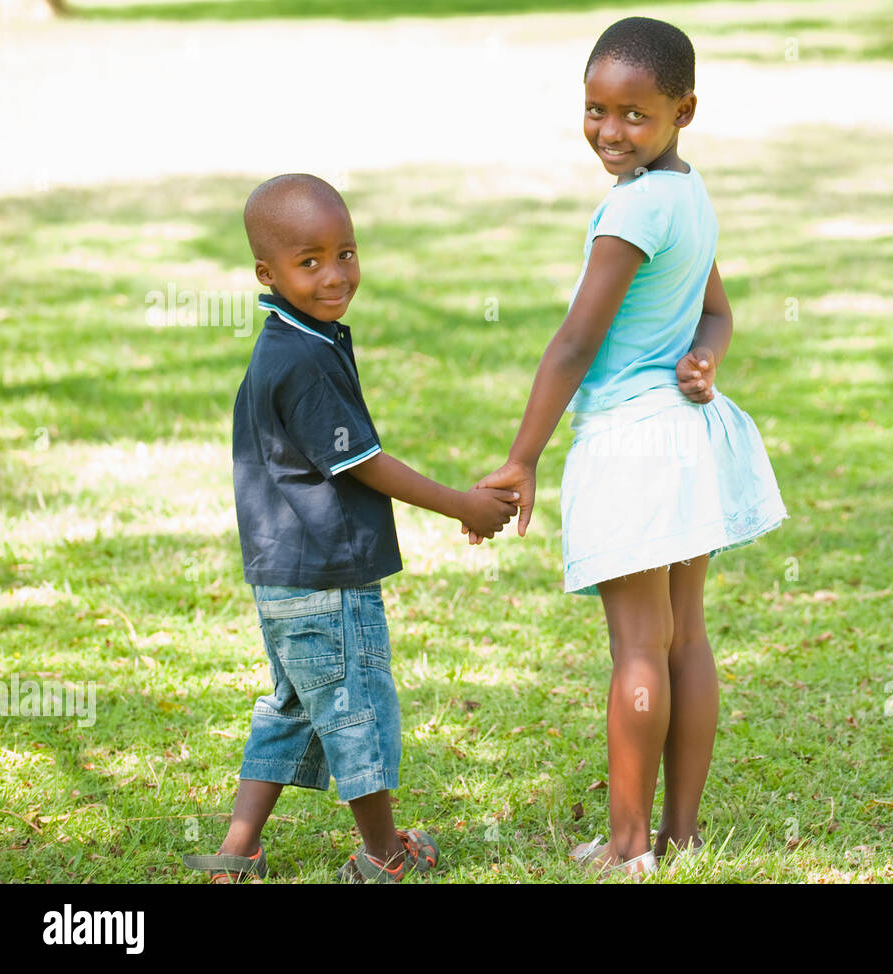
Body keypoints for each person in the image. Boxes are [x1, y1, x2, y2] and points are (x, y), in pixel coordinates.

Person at [472, 17, 787, 877]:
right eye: (595, 110)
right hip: (687, 444)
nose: (610, 132)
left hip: (633, 445)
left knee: (640, 649)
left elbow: (575, 343)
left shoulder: (634, 207)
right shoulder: (689, 194)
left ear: (684, 109)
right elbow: (718, 311)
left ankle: (626, 846)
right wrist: (705, 356)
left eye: (634, 115)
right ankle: (680, 834)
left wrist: (522, 456)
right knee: (685, 639)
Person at [182, 173, 519, 883]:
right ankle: (384, 855)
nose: (334, 275)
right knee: (356, 708)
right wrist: (462, 503)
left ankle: (237, 851)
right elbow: (363, 463)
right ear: (266, 274)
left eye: (346, 253)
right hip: (326, 577)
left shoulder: (300, 337)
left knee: (294, 709)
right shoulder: (301, 359)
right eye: (310, 262)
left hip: (284, 576)